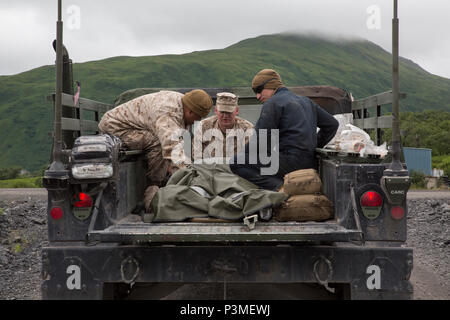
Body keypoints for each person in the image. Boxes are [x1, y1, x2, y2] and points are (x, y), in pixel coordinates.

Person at [98, 89, 213, 210]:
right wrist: (189, 179)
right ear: (190, 111)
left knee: (160, 143)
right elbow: (172, 148)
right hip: (115, 128)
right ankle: (153, 190)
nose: (197, 121)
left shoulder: (183, 103)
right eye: (197, 117)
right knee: (157, 143)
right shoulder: (168, 113)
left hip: (133, 126)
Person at [229, 69, 339, 191]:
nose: (258, 96)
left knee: (236, 161)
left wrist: (244, 155)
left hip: (290, 162)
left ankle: (280, 187)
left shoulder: (272, 103)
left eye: (259, 91)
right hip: (310, 162)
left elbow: (260, 142)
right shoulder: (306, 101)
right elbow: (332, 124)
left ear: (271, 86)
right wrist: (314, 146)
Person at [192, 92, 253, 162]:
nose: (225, 116)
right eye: (222, 112)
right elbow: (197, 156)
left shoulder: (247, 129)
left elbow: (250, 157)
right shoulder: (204, 126)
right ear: (215, 110)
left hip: (236, 170)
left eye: (229, 112)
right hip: (210, 170)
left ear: (236, 110)